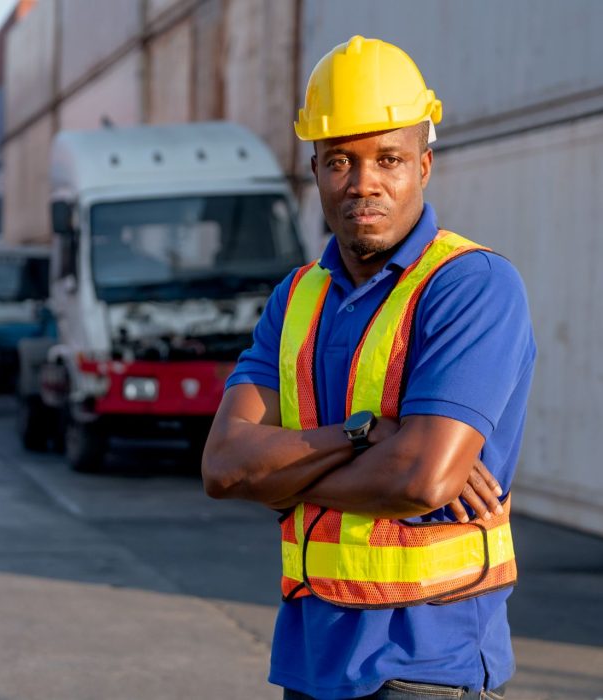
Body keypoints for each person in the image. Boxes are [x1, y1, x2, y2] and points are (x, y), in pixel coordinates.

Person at [202, 35, 536, 700]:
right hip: (310, 658)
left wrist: (282, 480)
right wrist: (364, 434)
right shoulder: (297, 298)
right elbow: (222, 467)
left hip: (427, 667)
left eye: (389, 159)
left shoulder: (471, 286)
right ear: (316, 171)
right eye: (339, 162)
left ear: (425, 164)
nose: (364, 183)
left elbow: (420, 477)